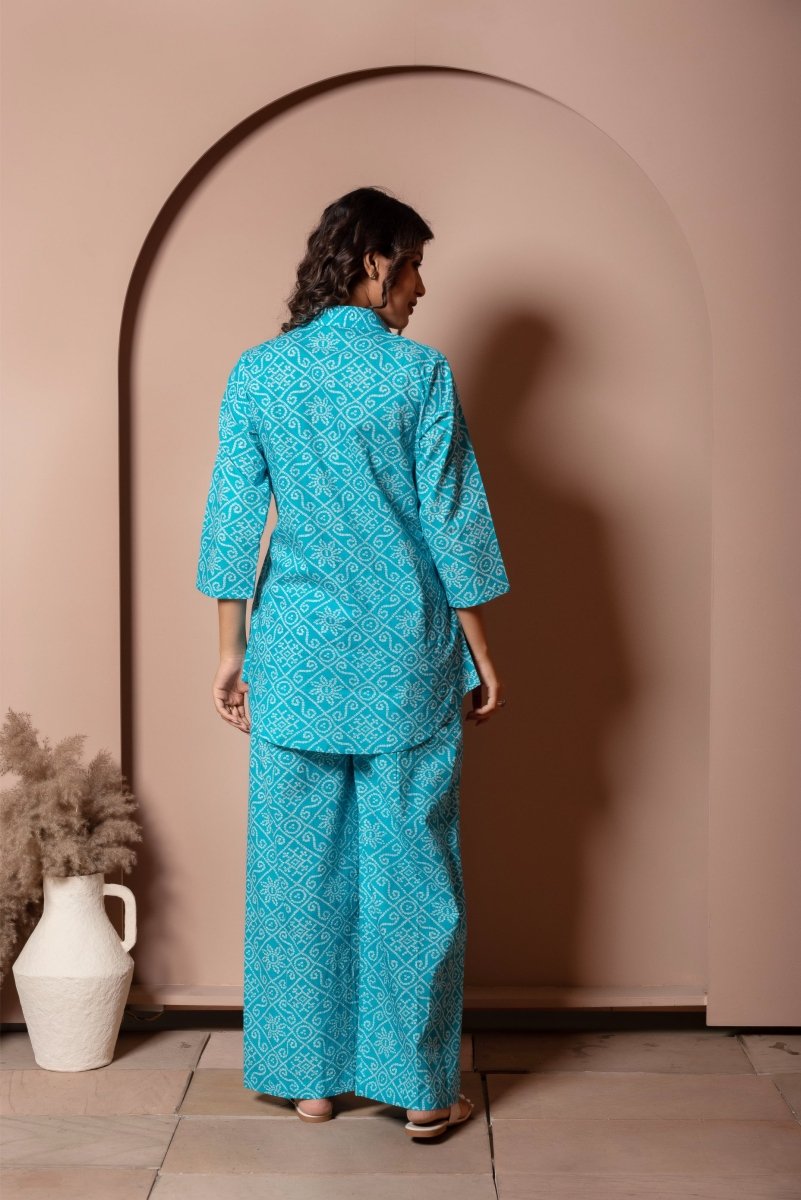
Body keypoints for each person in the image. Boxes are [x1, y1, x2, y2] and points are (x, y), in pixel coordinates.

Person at [195, 186, 510, 1139]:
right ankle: (420, 1091)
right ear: (375, 262)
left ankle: (312, 1080)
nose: (421, 287)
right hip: (404, 655)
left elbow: (231, 520)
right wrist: (482, 653)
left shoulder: (259, 373)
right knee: (414, 870)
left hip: (292, 654)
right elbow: (450, 523)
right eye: (413, 265)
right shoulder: (418, 375)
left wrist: (230, 652)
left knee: (297, 869)